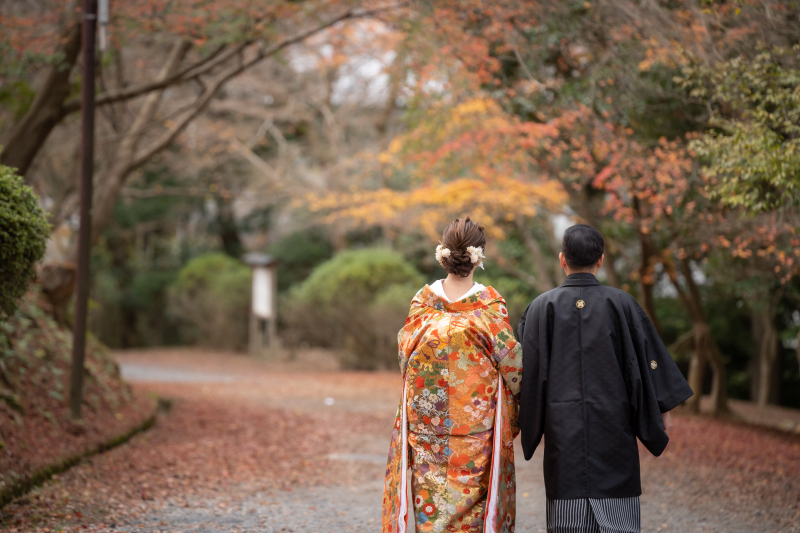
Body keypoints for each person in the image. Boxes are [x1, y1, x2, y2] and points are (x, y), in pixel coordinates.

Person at [517, 224, 693, 533]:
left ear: (562, 259)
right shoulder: (622, 304)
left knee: (566, 519)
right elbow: (648, 360)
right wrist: (662, 408)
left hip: (563, 430)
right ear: (600, 260)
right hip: (614, 427)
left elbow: (526, 372)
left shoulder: (540, 308)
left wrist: (523, 421)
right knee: (619, 519)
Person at [383, 217, 523, 533]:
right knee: (472, 515)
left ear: (443, 254)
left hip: (426, 428)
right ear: (479, 257)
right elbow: (514, 368)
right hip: (476, 430)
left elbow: (405, 360)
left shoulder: (422, 304)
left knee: (430, 508)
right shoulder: (489, 306)